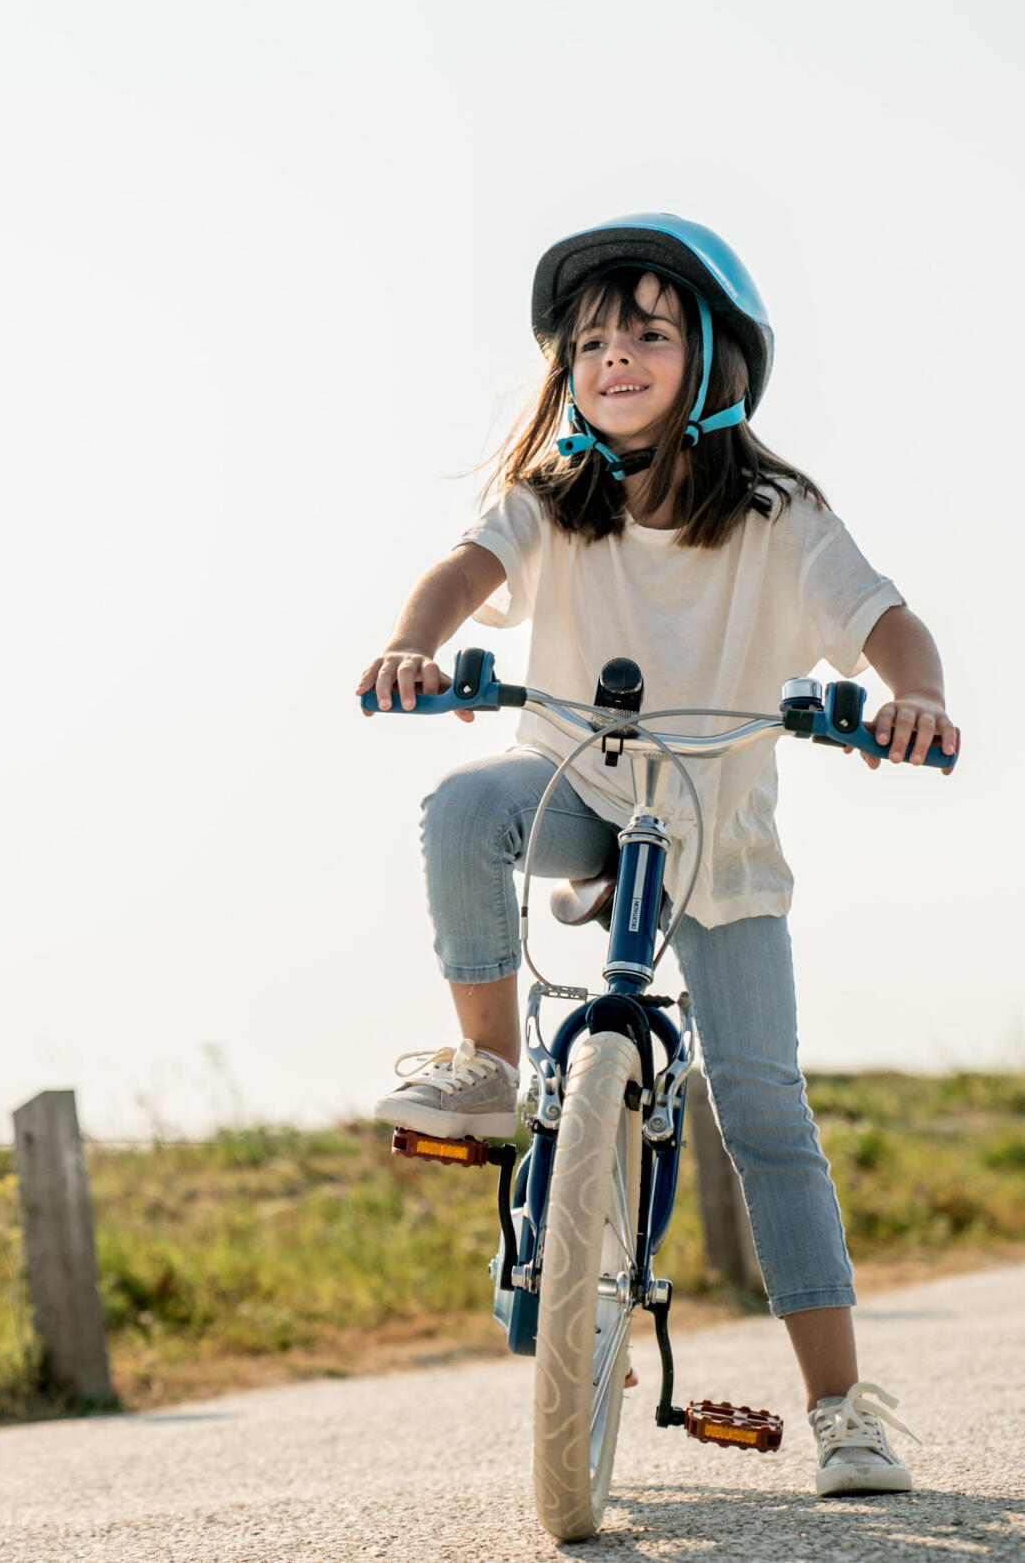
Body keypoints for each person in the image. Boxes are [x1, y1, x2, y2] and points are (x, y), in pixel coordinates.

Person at [356, 214, 958, 1498]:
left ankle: (845, 1409)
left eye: (648, 329)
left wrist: (915, 699)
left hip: (717, 841)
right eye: (590, 339)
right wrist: (415, 644)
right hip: (582, 789)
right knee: (465, 805)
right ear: (565, 371)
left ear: (711, 359)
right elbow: (458, 578)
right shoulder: (548, 503)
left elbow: (888, 624)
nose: (615, 353)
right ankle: (488, 1066)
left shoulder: (777, 513)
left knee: (766, 1111)